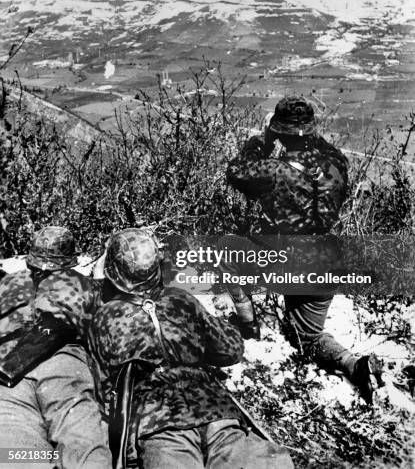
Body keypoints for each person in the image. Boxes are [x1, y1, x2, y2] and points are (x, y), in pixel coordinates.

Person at [90, 227, 293, 469]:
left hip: (158, 421)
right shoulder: (181, 299)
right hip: (214, 409)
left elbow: (99, 383)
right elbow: (231, 350)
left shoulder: (104, 317)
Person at [225, 96, 383, 404]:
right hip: (326, 262)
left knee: (225, 250)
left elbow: (236, 172)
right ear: (311, 130)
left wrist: (261, 141)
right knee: (308, 338)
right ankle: (352, 363)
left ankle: (248, 325)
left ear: (280, 131)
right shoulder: (336, 160)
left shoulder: (273, 169)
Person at [0, 226, 112, 469]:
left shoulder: (8, 284)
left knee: (18, 455)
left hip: (6, 374)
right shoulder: (85, 286)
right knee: (83, 451)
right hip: (64, 368)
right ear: (70, 259)